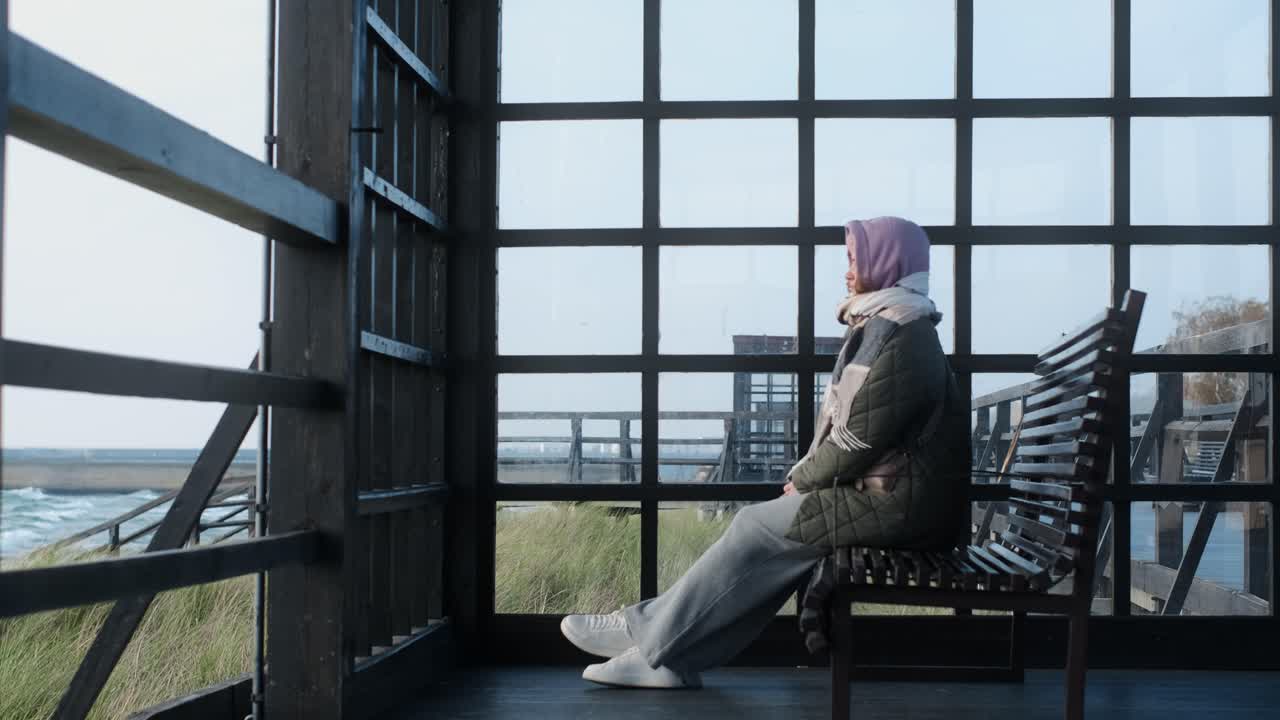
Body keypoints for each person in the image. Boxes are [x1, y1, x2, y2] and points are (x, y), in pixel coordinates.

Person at [560, 216, 971, 688]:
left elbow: (859, 440)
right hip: (897, 498)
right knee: (763, 534)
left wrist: (805, 478)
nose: (847, 270)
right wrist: (808, 476)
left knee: (755, 524)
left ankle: (651, 639)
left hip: (904, 508)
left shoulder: (906, 337)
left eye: (855, 259)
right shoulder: (895, 327)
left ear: (887, 261)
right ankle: (667, 653)